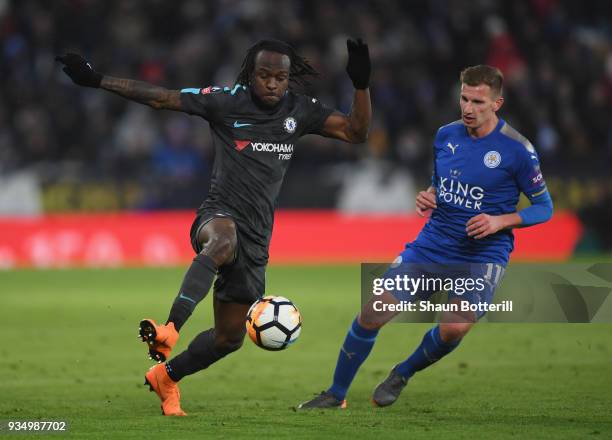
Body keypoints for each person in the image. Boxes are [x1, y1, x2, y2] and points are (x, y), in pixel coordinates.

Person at [56, 38, 372, 416]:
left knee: (229, 338)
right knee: (223, 241)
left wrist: (361, 84)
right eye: (265, 75)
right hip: (217, 215)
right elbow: (162, 97)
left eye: (281, 77)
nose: (273, 84)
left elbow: (356, 131)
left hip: (256, 238)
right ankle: (170, 327)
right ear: (250, 75)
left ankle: (166, 377)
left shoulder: (298, 111)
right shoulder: (225, 101)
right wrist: (98, 80)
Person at [298, 65, 553, 409]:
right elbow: (441, 181)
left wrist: (500, 221)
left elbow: (544, 208)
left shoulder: (518, 150)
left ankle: (403, 372)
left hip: (483, 254)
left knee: (453, 329)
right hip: (434, 243)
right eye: (464, 98)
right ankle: (336, 394)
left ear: (497, 103)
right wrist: (429, 194)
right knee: (372, 313)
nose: (468, 108)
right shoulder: (445, 136)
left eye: (478, 101)